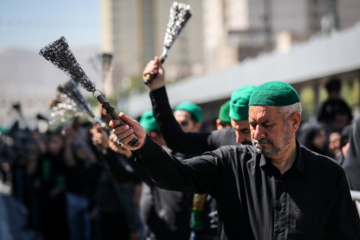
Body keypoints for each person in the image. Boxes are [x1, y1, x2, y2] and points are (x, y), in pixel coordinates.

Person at [111, 81, 360, 239]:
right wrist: (141, 144)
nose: (257, 134)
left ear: (294, 122)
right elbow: (175, 174)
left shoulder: (328, 174)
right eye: (252, 125)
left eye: (267, 124)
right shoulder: (230, 162)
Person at [143, 57, 256, 156]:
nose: (238, 139)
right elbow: (177, 141)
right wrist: (157, 90)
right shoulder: (225, 138)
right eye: (235, 129)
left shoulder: (271, 146)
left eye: (246, 131)